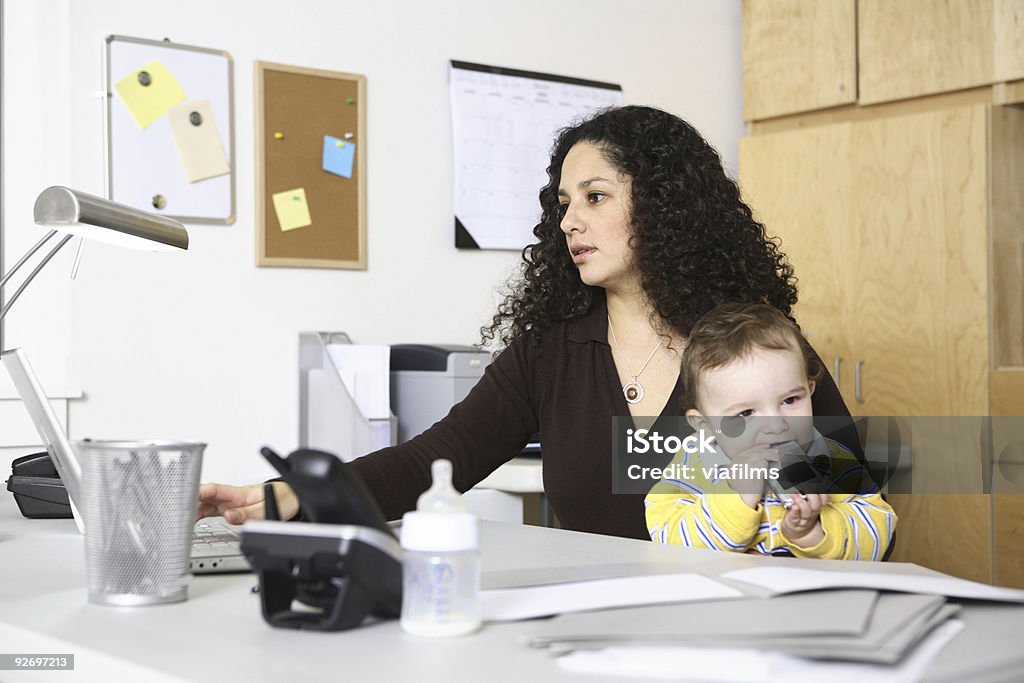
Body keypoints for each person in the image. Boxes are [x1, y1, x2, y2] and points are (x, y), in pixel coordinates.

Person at [198, 105, 857, 541]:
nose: (569, 221)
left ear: (666, 206)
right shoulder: (550, 353)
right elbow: (432, 462)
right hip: (595, 640)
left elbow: (860, 506)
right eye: (564, 202)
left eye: (596, 197)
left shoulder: (758, 347)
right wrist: (290, 496)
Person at [645, 302, 896, 559]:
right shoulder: (695, 465)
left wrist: (813, 533)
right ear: (705, 426)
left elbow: (878, 530)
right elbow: (669, 541)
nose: (776, 426)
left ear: (809, 390)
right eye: (745, 413)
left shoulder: (833, 462)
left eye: (790, 400)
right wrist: (737, 497)